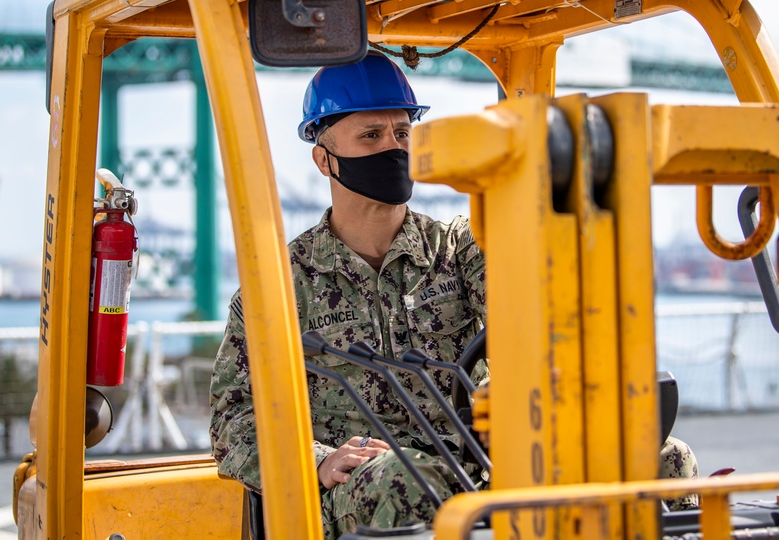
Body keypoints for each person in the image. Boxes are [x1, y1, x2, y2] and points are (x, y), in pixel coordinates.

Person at [210, 52, 698, 539]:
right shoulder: (277, 283)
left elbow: (536, 312)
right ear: (324, 158)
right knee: (411, 482)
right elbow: (232, 422)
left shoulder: (460, 247)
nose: (394, 147)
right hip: (353, 488)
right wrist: (317, 462)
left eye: (403, 133)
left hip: (476, 461)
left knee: (665, 458)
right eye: (371, 135)